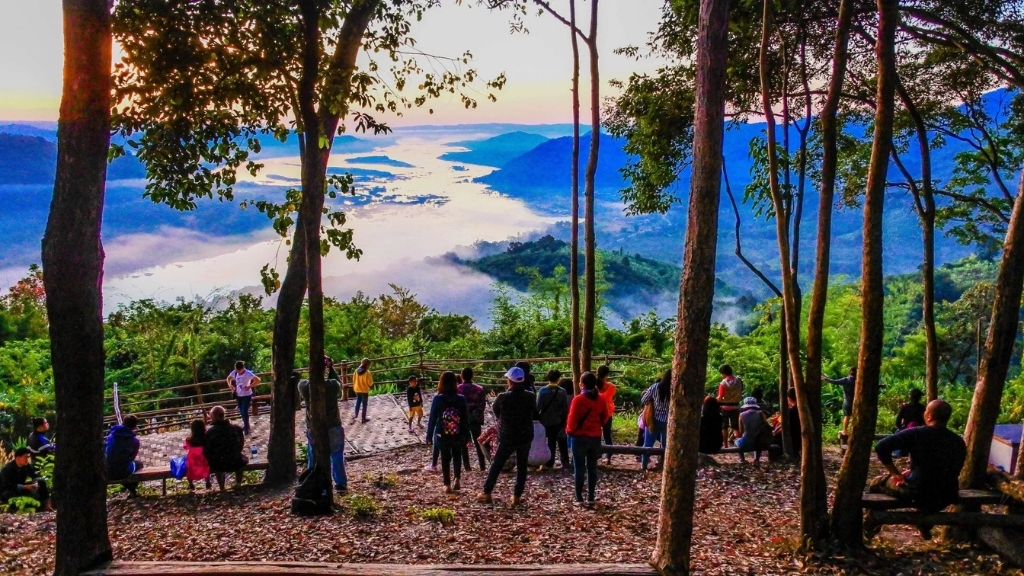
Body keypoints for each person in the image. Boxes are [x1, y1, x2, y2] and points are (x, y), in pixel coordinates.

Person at [869, 400, 967, 539]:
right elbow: (945, 470)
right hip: (946, 496)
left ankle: (872, 522)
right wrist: (913, 473)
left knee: (877, 482)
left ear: (929, 416)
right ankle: (925, 525)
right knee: (930, 488)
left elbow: (881, 447)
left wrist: (896, 474)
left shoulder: (917, 433)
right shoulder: (958, 441)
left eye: (926, 410)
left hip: (917, 493)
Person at [478, 366, 536, 506]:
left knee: (497, 463)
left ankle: (487, 491)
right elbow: (533, 411)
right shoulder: (530, 396)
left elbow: (496, 412)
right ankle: (516, 496)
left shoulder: (503, 397)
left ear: (510, 381)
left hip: (507, 435)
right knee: (522, 466)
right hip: (525, 434)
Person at [298, 358, 347, 494]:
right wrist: (331, 369)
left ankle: (312, 481)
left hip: (314, 428)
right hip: (333, 426)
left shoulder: (304, 386)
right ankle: (340, 484)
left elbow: (303, 382)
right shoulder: (332, 386)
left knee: (313, 456)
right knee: (336, 455)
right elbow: (339, 386)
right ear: (324, 369)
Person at [566, 371, 610, 506]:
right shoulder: (601, 399)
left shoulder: (578, 400)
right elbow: (605, 417)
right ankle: (591, 496)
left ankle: (579, 497)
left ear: (582, 384)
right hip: (595, 437)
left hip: (579, 437)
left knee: (579, 467)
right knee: (592, 467)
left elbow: (572, 419)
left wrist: (569, 431)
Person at [426, 371, 470, 494]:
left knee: (445, 458)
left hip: (441, 432)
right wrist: (467, 436)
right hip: (458, 432)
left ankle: (447, 484)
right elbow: (466, 419)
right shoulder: (461, 399)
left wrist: (429, 435)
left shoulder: (438, 398)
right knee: (457, 455)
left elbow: (433, 419)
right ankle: (457, 478)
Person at [204, 406, 248, 491]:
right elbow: (241, 444)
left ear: (213, 416)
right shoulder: (236, 428)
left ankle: (221, 487)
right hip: (235, 460)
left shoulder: (210, 432)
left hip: (219, 463)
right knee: (240, 459)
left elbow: (207, 450)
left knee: (216, 463)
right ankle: (238, 483)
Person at [537, 369, 570, 471]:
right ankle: (565, 461)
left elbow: (538, 407)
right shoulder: (562, 391)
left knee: (547, 441)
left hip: (545, 420)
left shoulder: (542, 391)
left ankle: (548, 461)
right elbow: (565, 408)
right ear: (558, 378)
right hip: (558, 420)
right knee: (559, 440)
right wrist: (564, 421)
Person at [639, 370, 672, 471]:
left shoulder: (655, 387)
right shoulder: (674, 389)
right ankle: (663, 466)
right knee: (666, 445)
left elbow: (644, 400)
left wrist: (653, 401)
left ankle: (643, 466)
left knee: (648, 443)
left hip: (653, 420)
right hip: (668, 421)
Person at [105, 415, 143, 496]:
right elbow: (132, 458)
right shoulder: (135, 441)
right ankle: (132, 489)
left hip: (106, 470)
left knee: (119, 466)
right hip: (121, 473)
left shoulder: (111, 435)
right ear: (134, 426)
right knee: (139, 464)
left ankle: (130, 489)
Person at [458, 367, 488, 472]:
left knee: (463, 443)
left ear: (462, 376)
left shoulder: (458, 389)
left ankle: (467, 467)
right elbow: (482, 405)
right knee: (478, 442)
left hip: (462, 420)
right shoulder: (479, 389)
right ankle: (482, 466)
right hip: (475, 419)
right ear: (472, 376)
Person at [227, 360, 259, 436]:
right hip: (238, 395)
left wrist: (249, 386)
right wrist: (230, 386)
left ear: (243, 368)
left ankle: (246, 427)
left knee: (244, 411)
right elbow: (228, 378)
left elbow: (258, 380)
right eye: (237, 370)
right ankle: (246, 425)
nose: (238, 372)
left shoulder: (248, 373)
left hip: (247, 395)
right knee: (241, 412)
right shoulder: (234, 372)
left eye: (239, 370)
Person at [823, 366, 857, 437]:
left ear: (849, 372)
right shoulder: (858, 380)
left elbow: (835, 382)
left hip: (847, 402)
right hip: (856, 402)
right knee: (855, 416)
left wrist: (826, 379)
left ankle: (845, 431)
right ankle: (853, 430)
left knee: (846, 416)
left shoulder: (846, 380)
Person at [716, 364, 744, 447]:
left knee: (724, 426)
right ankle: (739, 444)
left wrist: (715, 399)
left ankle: (725, 445)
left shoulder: (723, 383)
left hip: (724, 407)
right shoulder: (739, 380)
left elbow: (720, 398)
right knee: (735, 427)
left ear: (723, 373)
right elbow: (741, 391)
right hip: (736, 406)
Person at [736, 397, 767, 463]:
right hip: (758, 443)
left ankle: (742, 459)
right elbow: (766, 426)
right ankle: (757, 459)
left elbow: (741, 431)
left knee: (736, 442)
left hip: (746, 443)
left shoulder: (741, 415)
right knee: (759, 438)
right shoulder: (761, 413)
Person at [596, 364, 617, 465]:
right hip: (607, 413)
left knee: (596, 434)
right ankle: (609, 457)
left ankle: (596, 454)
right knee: (607, 434)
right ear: (607, 374)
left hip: (596, 412)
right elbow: (606, 398)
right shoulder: (612, 387)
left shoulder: (594, 387)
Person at [183, 419, 211, 491]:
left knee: (188, 468)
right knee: (206, 466)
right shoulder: (206, 438)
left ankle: (190, 483)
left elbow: (186, 447)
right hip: (203, 458)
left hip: (193, 460)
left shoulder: (189, 439)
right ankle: (207, 481)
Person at [772, 388, 801, 456]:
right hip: (799, 439)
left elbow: (781, 425)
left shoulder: (790, 412)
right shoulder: (803, 411)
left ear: (789, 399)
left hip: (792, 440)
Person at [352, 358, 374, 423]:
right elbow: (370, 383)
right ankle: (363, 418)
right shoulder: (367, 373)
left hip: (357, 389)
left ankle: (356, 415)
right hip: (364, 390)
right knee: (364, 404)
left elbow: (354, 380)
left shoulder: (356, 371)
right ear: (367, 365)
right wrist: (371, 386)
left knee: (358, 402)